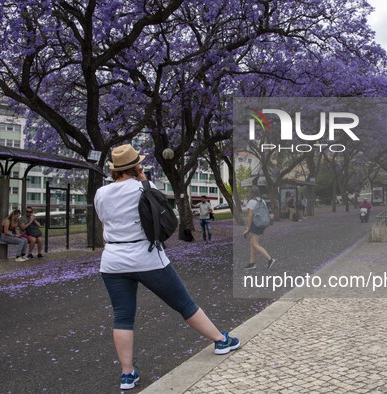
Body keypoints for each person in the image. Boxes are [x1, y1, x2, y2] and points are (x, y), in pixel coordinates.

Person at [95, 144, 239, 391]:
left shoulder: (101, 193)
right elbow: (164, 214)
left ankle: (127, 374)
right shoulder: (146, 187)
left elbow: (104, 219)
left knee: (123, 317)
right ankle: (220, 339)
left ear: (114, 170)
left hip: (113, 260)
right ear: (136, 166)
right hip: (147, 256)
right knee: (184, 304)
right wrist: (143, 181)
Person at [243, 185, 276, 271]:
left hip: (255, 225)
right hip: (262, 224)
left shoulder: (251, 202)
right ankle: (252, 263)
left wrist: (247, 228)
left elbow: (250, 216)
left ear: (251, 192)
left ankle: (270, 259)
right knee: (252, 243)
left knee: (255, 244)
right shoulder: (263, 201)